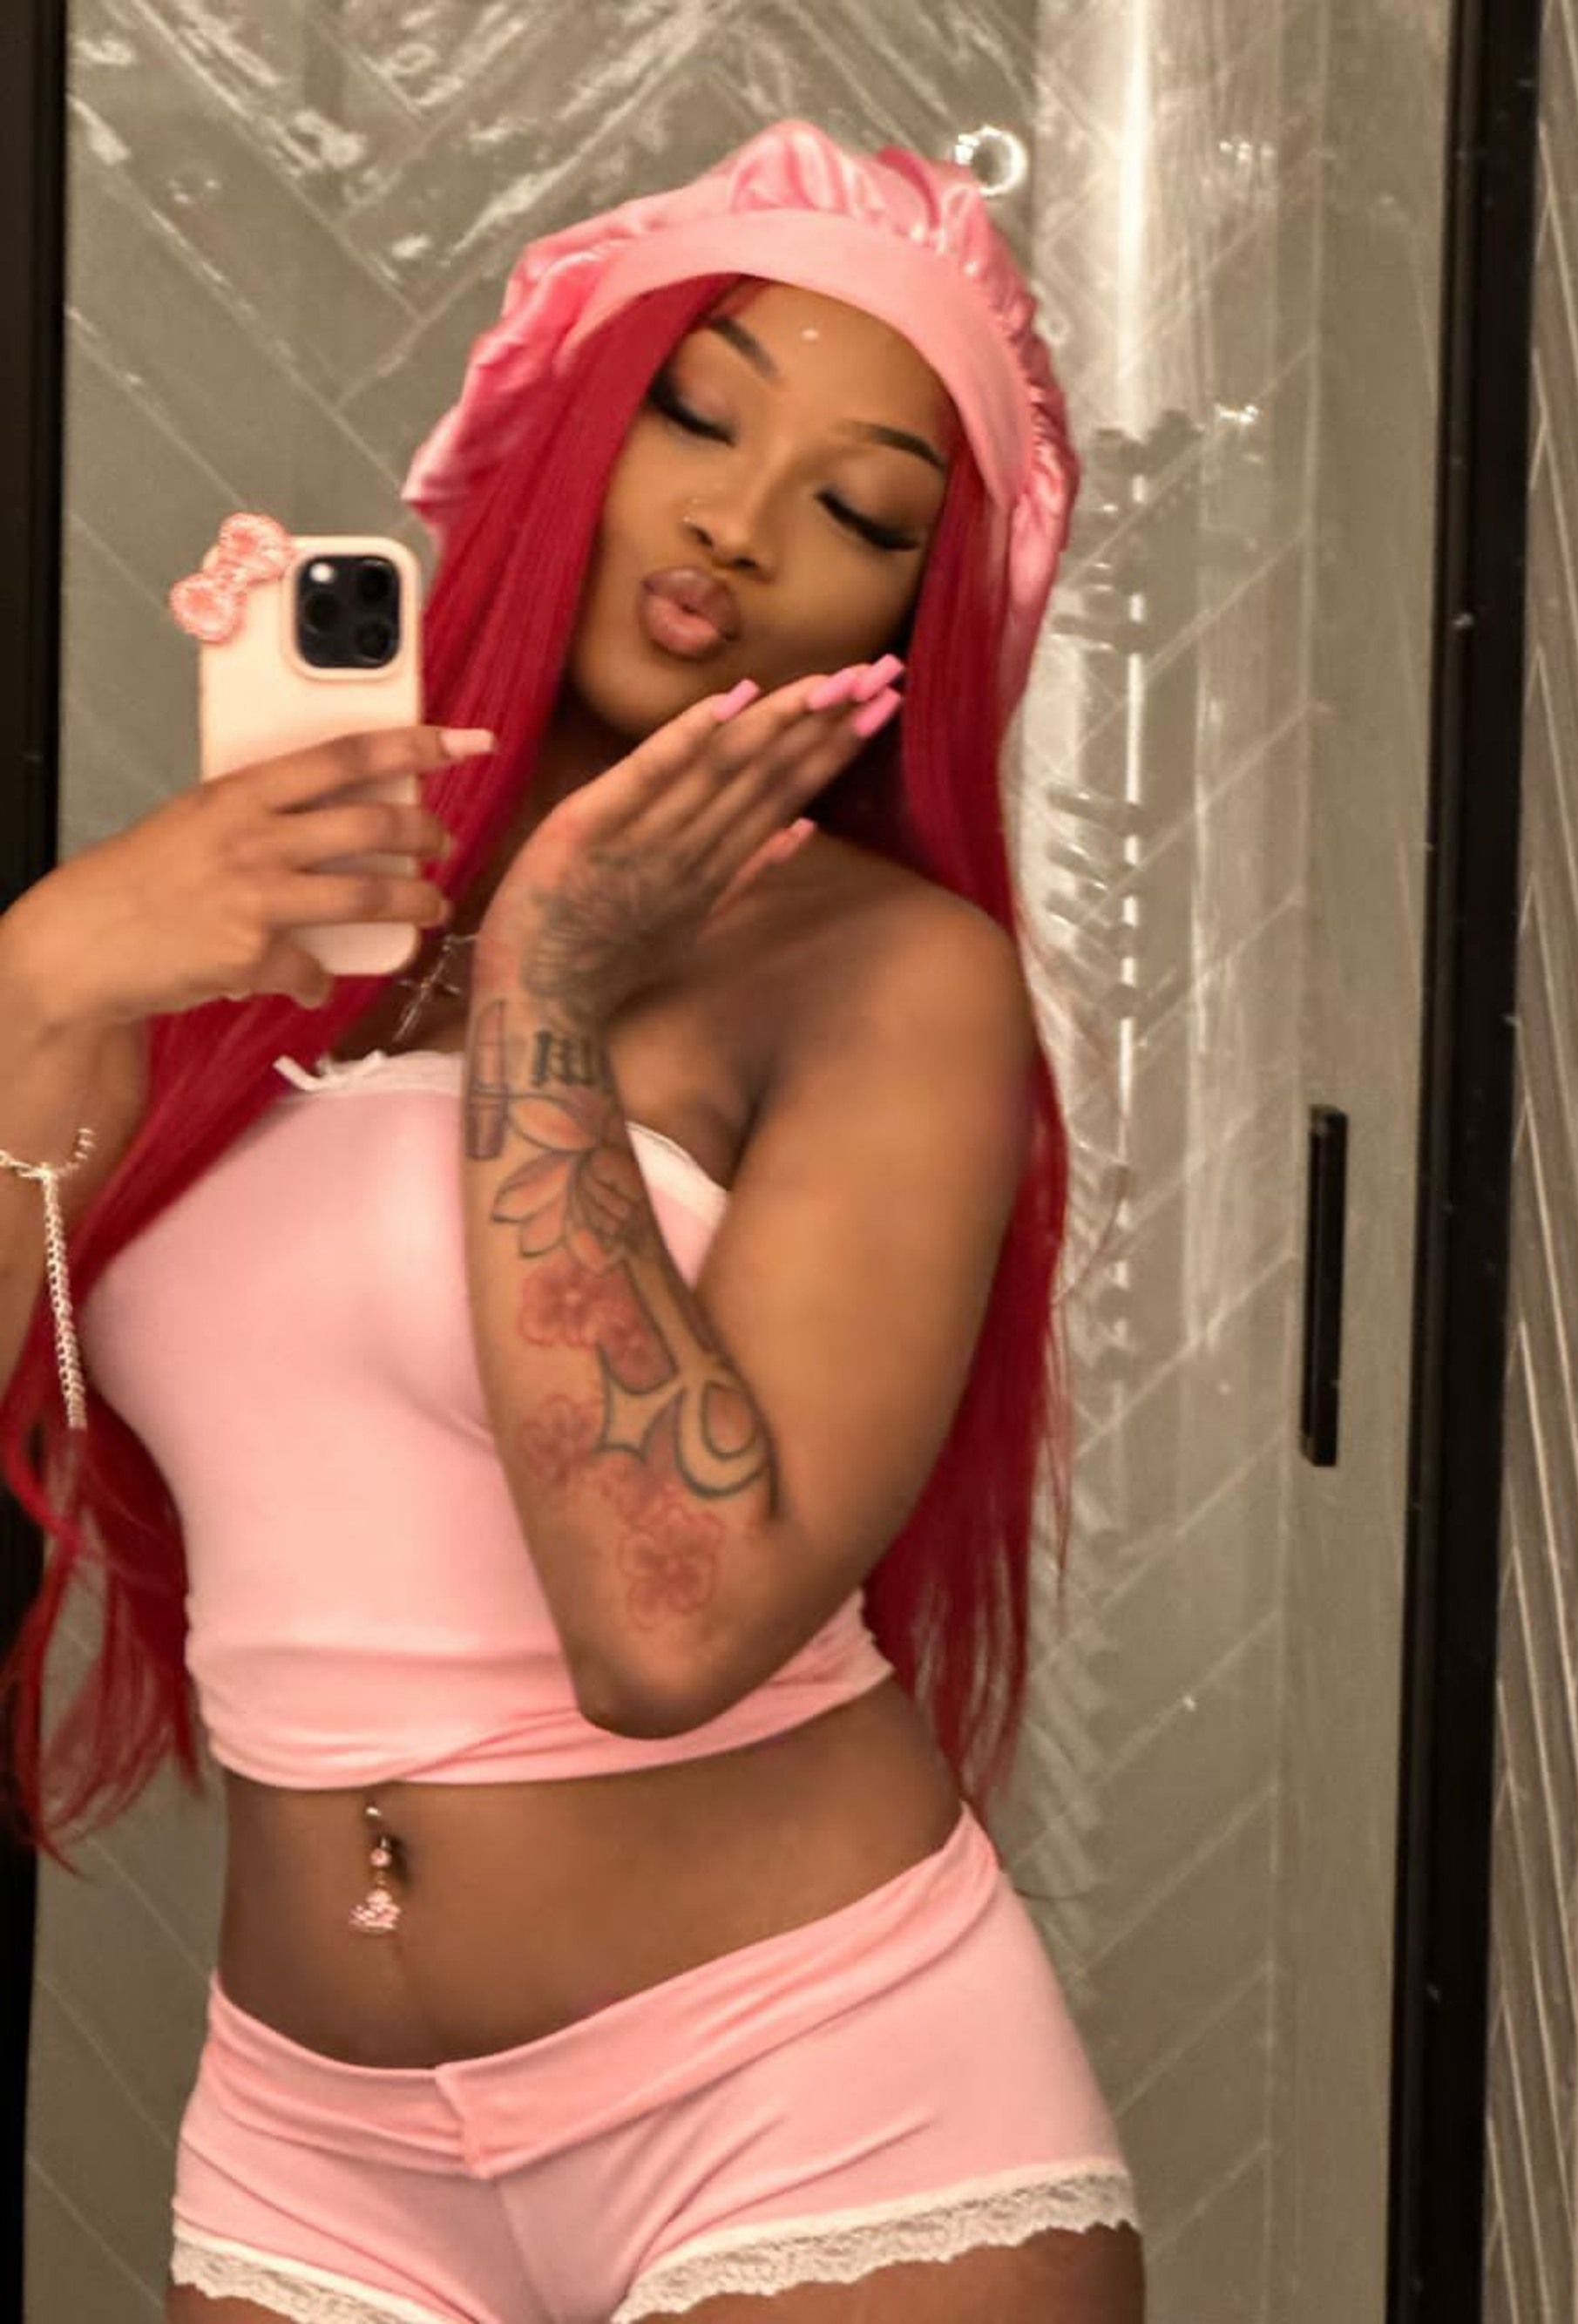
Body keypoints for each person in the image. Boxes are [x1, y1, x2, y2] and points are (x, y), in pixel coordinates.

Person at [0, 122, 1144, 2323]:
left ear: (912, 617)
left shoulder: (890, 977)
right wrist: (50, 978)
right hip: (310, 2147)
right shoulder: (262, 911)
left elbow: (667, 1629)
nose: (739, 522)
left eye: (859, 510)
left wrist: (543, 985)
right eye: (695, 413)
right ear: (564, 425)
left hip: (811, 2102)